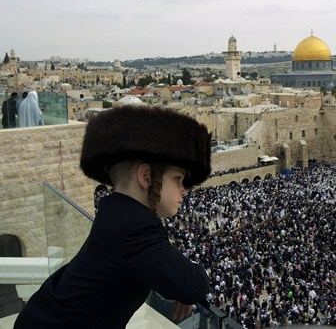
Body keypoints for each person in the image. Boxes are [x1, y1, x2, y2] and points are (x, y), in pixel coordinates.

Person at [14, 105, 212, 328]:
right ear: (146, 177)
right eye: (178, 178)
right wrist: (187, 282)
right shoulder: (136, 228)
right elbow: (193, 285)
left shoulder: (115, 210)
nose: (184, 189)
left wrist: (175, 281)